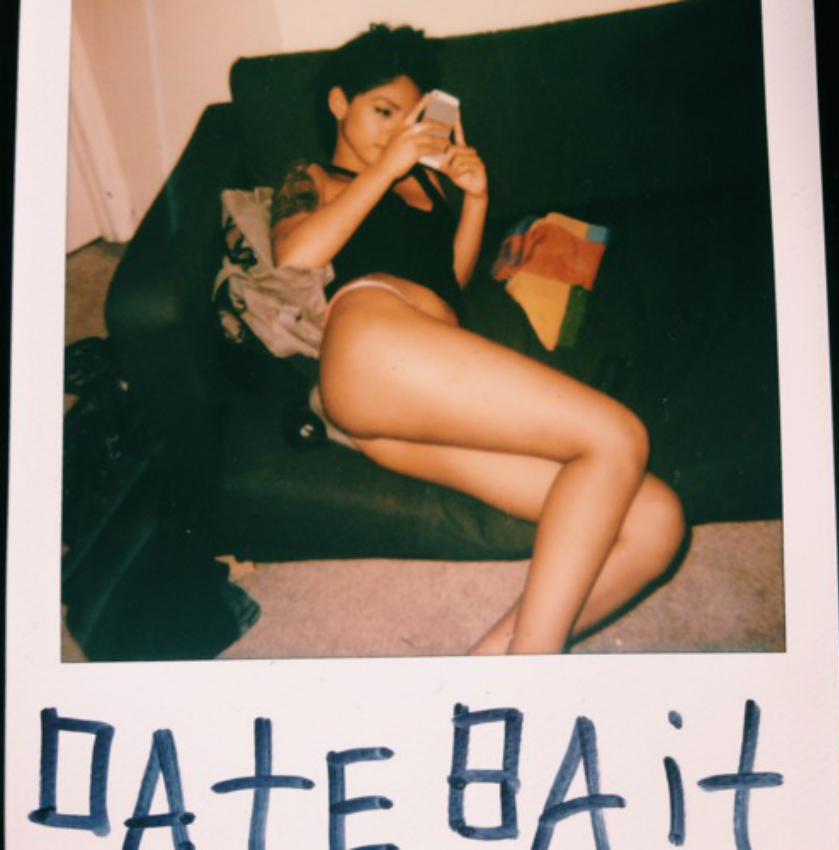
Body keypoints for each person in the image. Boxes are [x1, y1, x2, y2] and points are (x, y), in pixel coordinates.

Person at [271, 25, 685, 655]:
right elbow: (295, 255)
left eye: (408, 118)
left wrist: (474, 200)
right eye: (382, 111)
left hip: (407, 388)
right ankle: (534, 673)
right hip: (369, 342)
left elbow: (450, 284)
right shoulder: (315, 177)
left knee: (655, 522)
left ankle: (489, 672)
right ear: (338, 102)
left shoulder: (423, 186)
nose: (396, 130)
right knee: (617, 435)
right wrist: (384, 168)